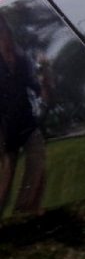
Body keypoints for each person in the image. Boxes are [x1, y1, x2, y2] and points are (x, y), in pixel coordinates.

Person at [0, 14, 48, 216]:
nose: (5, 37)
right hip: (3, 126)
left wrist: (45, 77)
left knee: (37, 157)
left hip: (26, 121)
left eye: (5, 32)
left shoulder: (21, 60)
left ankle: (25, 209)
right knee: (6, 173)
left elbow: (36, 87)